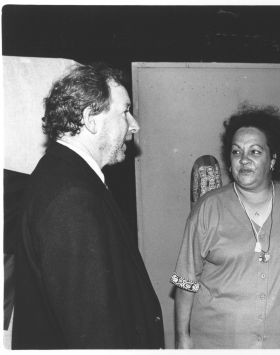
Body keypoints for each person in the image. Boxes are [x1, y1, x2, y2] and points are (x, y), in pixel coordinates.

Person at [12, 63, 164, 349]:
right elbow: (93, 331)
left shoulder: (69, 177)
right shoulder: (72, 197)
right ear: (90, 118)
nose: (134, 125)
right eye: (125, 111)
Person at [171, 105, 280, 349]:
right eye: (237, 152)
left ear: (273, 160)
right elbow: (186, 284)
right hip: (217, 341)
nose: (244, 159)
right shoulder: (208, 208)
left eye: (255, 151)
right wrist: (182, 339)